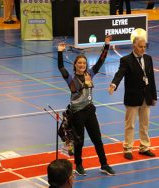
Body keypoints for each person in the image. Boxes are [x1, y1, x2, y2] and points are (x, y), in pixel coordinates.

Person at [57, 35, 115, 176]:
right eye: (79, 63)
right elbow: (60, 67)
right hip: (77, 113)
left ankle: (104, 164)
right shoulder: (71, 79)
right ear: (75, 65)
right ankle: (79, 165)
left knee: (97, 139)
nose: (82, 65)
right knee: (79, 141)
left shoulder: (90, 74)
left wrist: (106, 44)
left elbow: (101, 60)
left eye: (84, 63)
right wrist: (60, 52)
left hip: (90, 111)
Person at [108, 36, 157, 160]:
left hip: (146, 97)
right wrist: (114, 84)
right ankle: (128, 148)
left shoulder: (148, 58)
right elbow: (120, 73)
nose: (143, 49)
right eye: (140, 46)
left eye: (144, 46)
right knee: (130, 125)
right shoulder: (126, 60)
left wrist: (153, 96)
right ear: (134, 46)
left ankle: (144, 147)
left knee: (144, 124)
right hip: (132, 97)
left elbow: (151, 78)